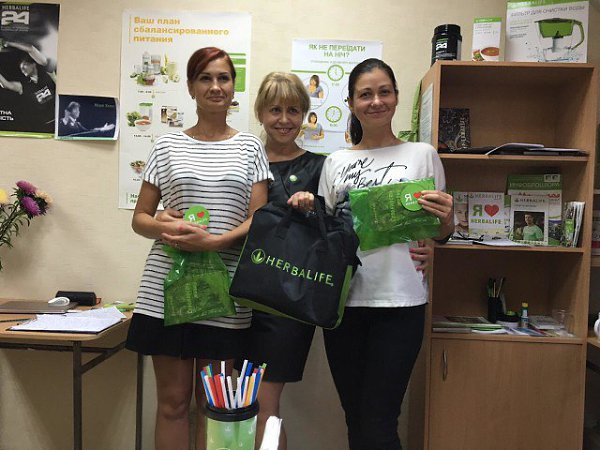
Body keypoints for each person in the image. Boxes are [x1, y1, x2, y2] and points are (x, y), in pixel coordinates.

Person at [244, 71, 432, 450]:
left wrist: (434, 241)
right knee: (233, 405)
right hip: (244, 291)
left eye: (293, 110)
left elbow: (334, 233)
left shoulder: (324, 165)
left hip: (291, 301)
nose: (284, 119)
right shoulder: (245, 160)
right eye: (275, 110)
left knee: (271, 407)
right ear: (260, 112)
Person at [125, 47, 270, 450]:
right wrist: (164, 225)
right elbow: (140, 219)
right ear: (190, 87)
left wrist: (216, 241)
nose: (215, 86)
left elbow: (260, 220)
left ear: (234, 87)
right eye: (205, 78)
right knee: (172, 403)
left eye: (223, 78)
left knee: (215, 405)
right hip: (167, 289)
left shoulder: (250, 147)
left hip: (225, 291)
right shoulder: (166, 145)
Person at [317, 58, 454, 450]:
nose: (376, 101)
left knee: (379, 421)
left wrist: (446, 223)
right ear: (351, 103)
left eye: (384, 92)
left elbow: (440, 232)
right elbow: (327, 237)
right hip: (344, 306)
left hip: (401, 304)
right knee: (355, 417)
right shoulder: (336, 162)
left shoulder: (422, 154)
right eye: (365, 94)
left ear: (395, 96)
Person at [0, 41, 56, 133]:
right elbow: (6, 84)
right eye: (21, 68)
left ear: (33, 64)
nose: (22, 69)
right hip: (44, 127)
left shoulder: (46, 72)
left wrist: (8, 43)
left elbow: (31, 49)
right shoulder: (24, 86)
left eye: (24, 66)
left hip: (60, 118)